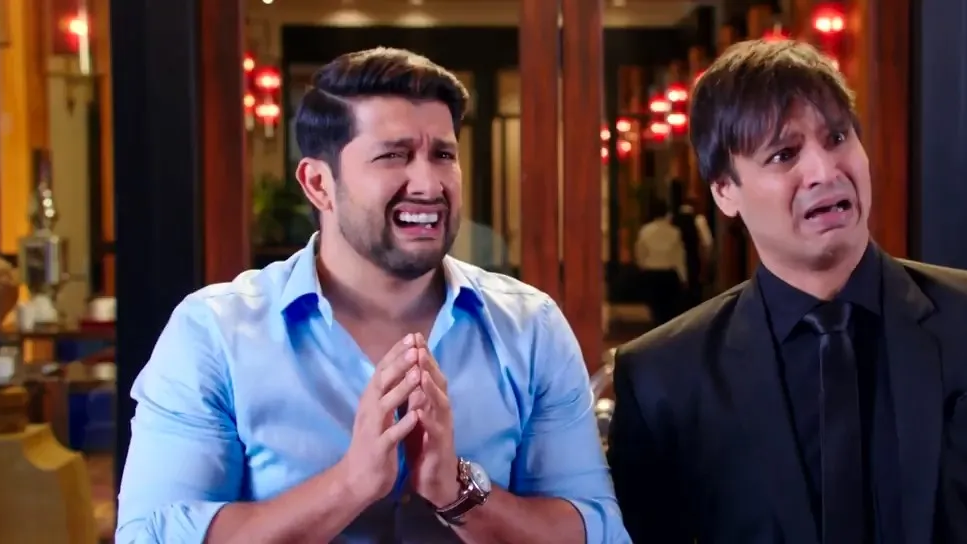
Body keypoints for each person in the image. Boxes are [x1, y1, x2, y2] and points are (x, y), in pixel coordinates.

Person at [606, 39, 967, 544]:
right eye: (784, 154)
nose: (824, 171)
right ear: (725, 190)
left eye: (837, 138)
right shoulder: (664, 378)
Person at [117, 48, 626, 544]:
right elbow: (150, 535)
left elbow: (598, 530)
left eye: (443, 155)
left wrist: (457, 492)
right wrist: (349, 485)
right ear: (319, 184)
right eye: (393, 155)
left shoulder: (531, 328)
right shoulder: (213, 334)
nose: (428, 184)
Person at [633, 199, 686, 326]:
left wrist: (642, 267)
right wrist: (683, 277)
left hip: (651, 273)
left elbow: (640, 252)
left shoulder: (645, 231)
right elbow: (679, 257)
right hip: (669, 275)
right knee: (669, 308)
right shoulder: (674, 232)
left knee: (655, 308)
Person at [666, 179, 713, 310]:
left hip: (675, 267)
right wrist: (706, 262)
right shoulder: (698, 220)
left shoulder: (670, 220)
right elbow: (707, 243)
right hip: (693, 263)